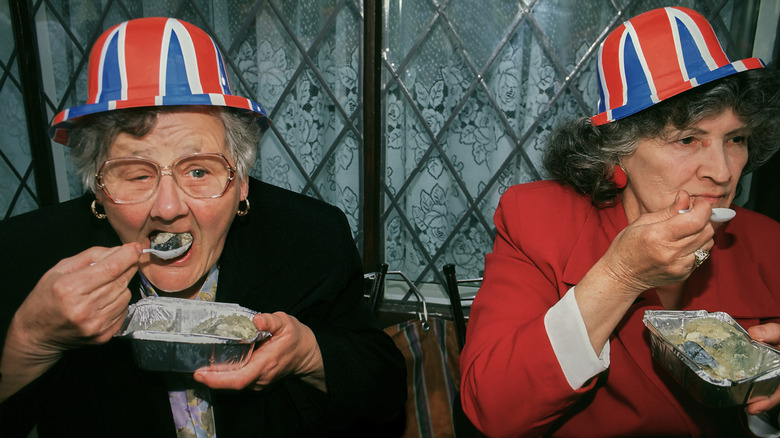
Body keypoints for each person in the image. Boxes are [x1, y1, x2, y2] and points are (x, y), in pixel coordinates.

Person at [0, 17, 406, 437]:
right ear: (98, 190)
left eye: (198, 171)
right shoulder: (29, 255)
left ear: (242, 180)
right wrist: (32, 339)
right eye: (136, 174)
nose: (169, 207)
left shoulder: (311, 239)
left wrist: (308, 354)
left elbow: (385, 393)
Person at [459, 6, 780, 437]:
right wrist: (620, 275)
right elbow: (493, 407)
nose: (723, 173)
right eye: (688, 139)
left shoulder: (767, 243)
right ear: (618, 149)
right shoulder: (537, 221)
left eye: (735, 139)